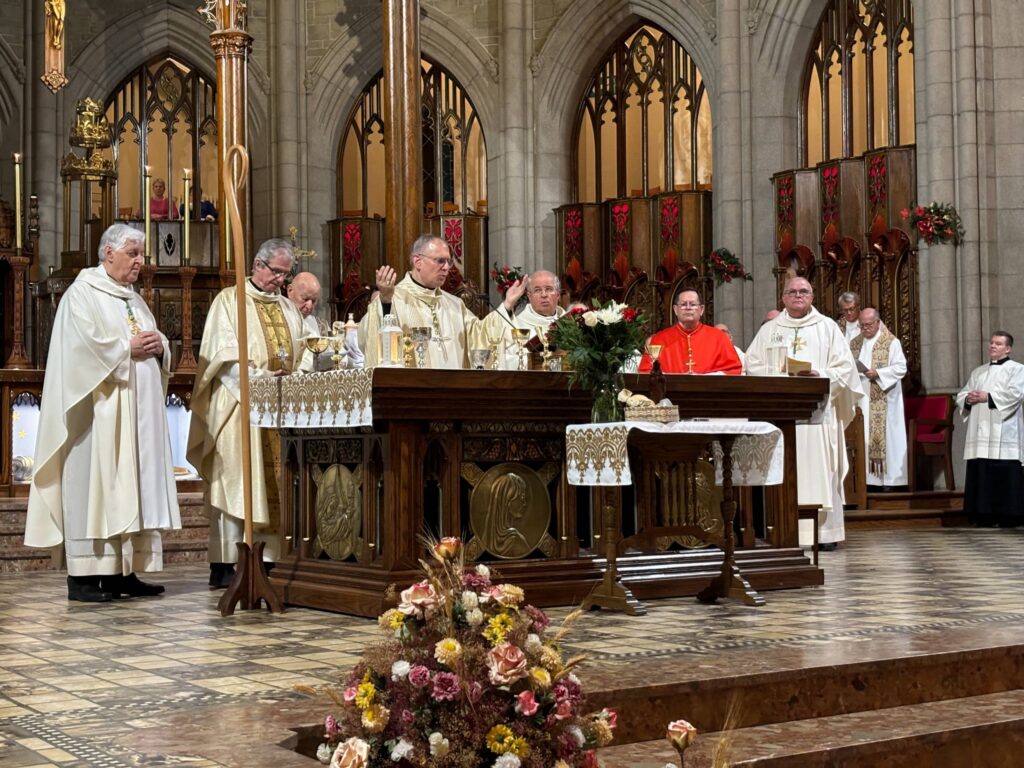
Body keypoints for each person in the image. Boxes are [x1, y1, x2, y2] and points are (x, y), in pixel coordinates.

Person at [24, 224, 180, 602]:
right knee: (97, 489)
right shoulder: (82, 294)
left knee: (131, 489)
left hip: (137, 419)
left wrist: (161, 348)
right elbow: (78, 351)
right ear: (108, 253)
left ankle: (121, 572)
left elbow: (154, 343)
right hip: (98, 419)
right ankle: (83, 577)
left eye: (142, 254)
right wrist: (127, 348)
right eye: (133, 253)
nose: (141, 262)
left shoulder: (134, 299)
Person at [187, 239, 308, 588]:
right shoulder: (229, 300)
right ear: (258, 265)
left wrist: (292, 378)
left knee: (274, 485)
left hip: (279, 411)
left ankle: (268, 560)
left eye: (286, 274)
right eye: (276, 272)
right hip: (239, 406)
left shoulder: (287, 308)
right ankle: (227, 561)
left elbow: (302, 352)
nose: (280, 281)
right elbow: (221, 358)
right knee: (235, 481)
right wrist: (259, 381)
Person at [746, 277, 863, 550]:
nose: (798, 295)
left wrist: (818, 375)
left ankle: (825, 534)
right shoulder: (770, 330)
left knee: (822, 469)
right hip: (783, 415)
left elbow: (845, 369)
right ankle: (786, 531)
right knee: (786, 472)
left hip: (818, 413)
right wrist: (780, 376)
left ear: (812, 296)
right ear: (783, 297)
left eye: (803, 291)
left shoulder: (828, 328)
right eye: (792, 292)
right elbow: (752, 364)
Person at [358, 234, 485, 368]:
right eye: (440, 261)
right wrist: (384, 301)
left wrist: (507, 307)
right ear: (418, 262)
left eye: (449, 261)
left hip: (453, 386)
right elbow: (365, 338)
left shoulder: (455, 305)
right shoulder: (394, 298)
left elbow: (481, 334)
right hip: (412, 387)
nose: (447, 267)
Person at [955, 332, 1024, 527]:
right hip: (980, 428)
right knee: (981, 468)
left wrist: (988, 397)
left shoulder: (1017, 370)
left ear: (1008, 348)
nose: (993, 346)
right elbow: (962, 394)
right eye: (991, 343)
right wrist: (968, 398)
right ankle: (982, 514)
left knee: (1004, 470)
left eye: (998, 343)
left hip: (1003, 427)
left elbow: (1016, 394)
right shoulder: (979, 371)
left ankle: (1008, 516)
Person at [850, 308, 908, 489]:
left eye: (868, 325)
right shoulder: (855, 343)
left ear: (877, 322)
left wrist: (879, 373)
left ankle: (889, 481)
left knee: (888, 440)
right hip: (861, 399)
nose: (865, 329)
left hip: (884, 399)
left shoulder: (891, 342)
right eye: (862, 326)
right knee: (863, 437)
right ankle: (866, 481)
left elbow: (900, 368)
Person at [638, 289, 742, 374]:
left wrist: (703, 379)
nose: (688, 308)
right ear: (675, 310)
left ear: (701, 309)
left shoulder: (719, 337)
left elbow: (734, 370)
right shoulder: (658, 339)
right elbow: (645, 371)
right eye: (683, 304)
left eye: (692, 304)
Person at [482, 270, 566, 368]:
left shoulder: (568, 323)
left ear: (558, 295)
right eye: (537, 290)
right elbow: (506, 361)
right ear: (529, 296)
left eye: (549, 289)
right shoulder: (516, 326)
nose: (544, 295)